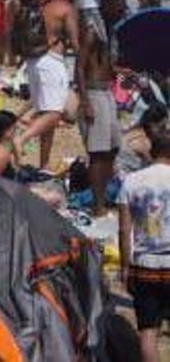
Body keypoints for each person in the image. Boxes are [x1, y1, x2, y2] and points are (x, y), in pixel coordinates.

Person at [117, 126, 170, 362]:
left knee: (148, 332)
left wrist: (125, 266)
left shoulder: (132, 180)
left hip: (144, 264)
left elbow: (124, 229)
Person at [76, 0, 128, 217]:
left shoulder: (109, 32)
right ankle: (97, 206)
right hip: (94, 95)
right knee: (98, 152)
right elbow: (79, 67)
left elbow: (105, 65)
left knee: (113, 148)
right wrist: (85, 101)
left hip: (106, 93)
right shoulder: (92, 32)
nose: (122, 12)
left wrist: (123, 71)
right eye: (119, 9)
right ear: (107, 7)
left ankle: (102, 198)